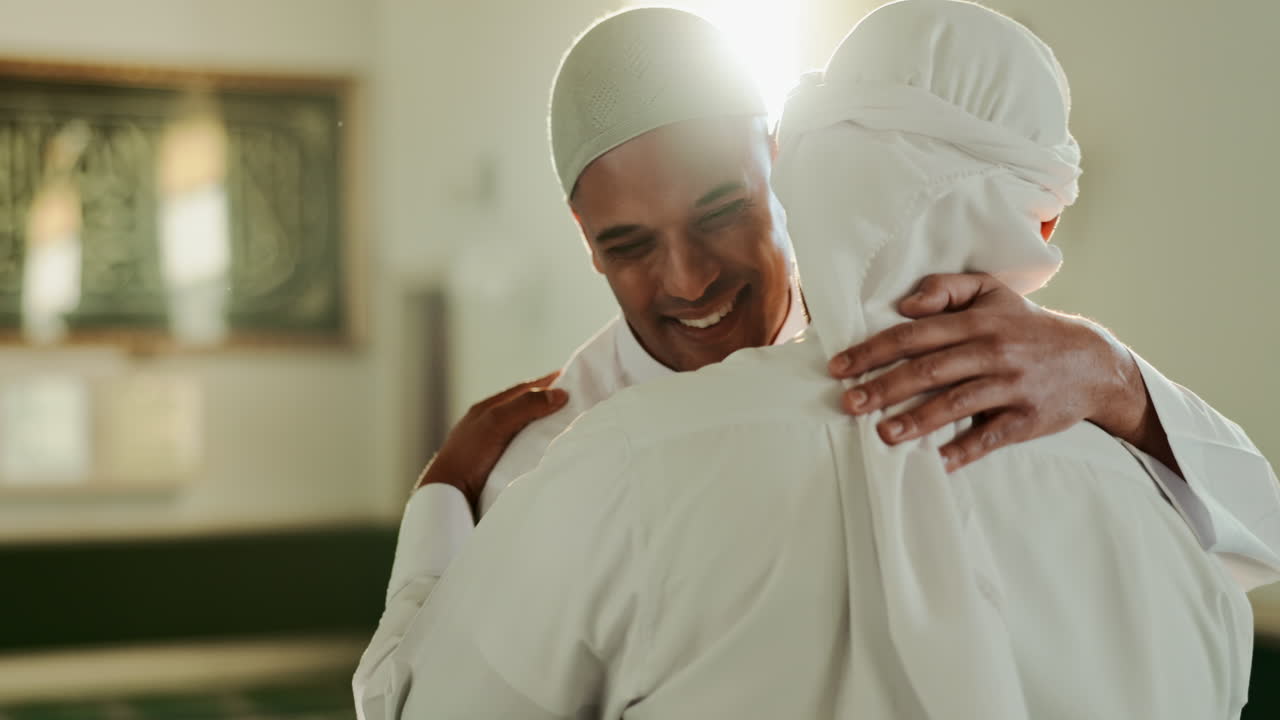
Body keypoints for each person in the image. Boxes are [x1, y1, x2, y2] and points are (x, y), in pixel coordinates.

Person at [355, 4, 1280, 713]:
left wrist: (1114, 377)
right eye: (629, 245)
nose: (686, 279)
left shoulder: (1045, 386)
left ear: (782, 165)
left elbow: (1261, 526)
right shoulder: (539, 464)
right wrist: (442, 501)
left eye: (720, 214)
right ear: (583, 237)